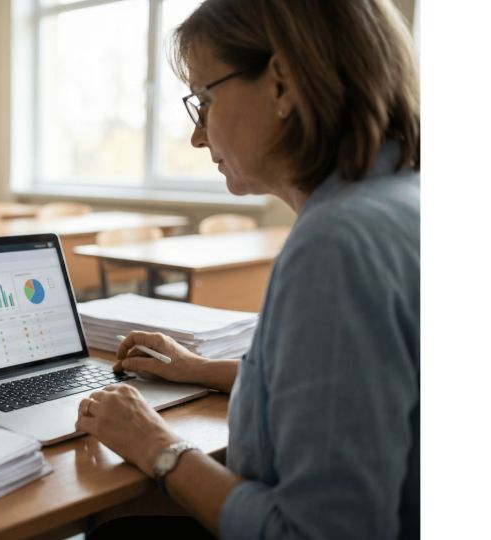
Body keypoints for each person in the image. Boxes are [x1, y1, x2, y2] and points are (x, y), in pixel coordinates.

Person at [75, 0, 420, 538]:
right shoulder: (402, 201)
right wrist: (201, 369)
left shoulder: (337, 245)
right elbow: (355, 388)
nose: (196, 135)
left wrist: (157, 446)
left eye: (203, 100)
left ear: (281, 83)